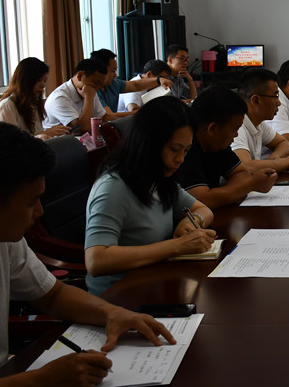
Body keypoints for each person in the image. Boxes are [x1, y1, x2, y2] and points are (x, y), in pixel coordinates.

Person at [0, 120, 175, 387]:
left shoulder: (3, 239)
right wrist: (39, 383)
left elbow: (52, 295)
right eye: (31, 202)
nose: (39, 212)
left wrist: (113, 313)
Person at [84, 97, 216, 295]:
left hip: (157, 283)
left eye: (186, 151)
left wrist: (191, 222)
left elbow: (202, 209)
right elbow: (96, 260)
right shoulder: (113, 188)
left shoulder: (159, 177)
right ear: (149, 143)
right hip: (120, 296)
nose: (180, 159)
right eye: (174, 149)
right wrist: (176, 246)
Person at [175, 85, 277, 209]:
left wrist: (226, 194)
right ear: (213, 129)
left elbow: (241, 173)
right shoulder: (184, 149)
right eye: (234, 129)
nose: (236, 134)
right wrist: (250, 185)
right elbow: (201, 200)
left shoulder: (217, 144)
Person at [232, 68, 289, 173]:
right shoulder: (237, 127)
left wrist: (274, 160)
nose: (279, 103)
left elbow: (284, 143)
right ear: (256, 100)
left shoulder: (259, 123)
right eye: (275, 96)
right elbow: (245, 166)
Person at [0, 57, 70, 139]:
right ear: (25, 80)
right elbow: (12, 143)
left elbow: (36, 136)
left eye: (45, 81)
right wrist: (46, 133)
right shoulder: (7, 106)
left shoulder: (33, 105)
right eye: (39, 80)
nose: (43, 85)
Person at [90, 48, 168, 117]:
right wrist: (141, 112)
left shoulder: (114, 84)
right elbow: (108, 116)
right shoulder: (93, 90)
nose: (115, 75)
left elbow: (135, 85)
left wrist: (159, 80)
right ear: (100, 70)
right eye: (113, 71)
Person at [42, 58, 111, 132]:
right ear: (80, 76)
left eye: (99, 85)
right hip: (58, 139)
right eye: (96, 83)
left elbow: (103, 117)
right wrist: (89, 98)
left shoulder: (90, 89)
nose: (96, 89)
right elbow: (82, 128)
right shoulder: (59, 97)